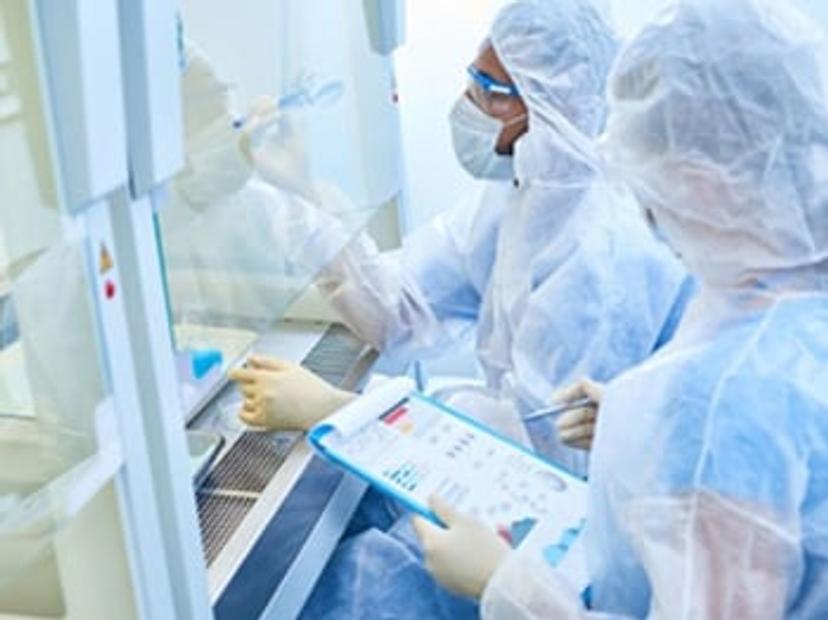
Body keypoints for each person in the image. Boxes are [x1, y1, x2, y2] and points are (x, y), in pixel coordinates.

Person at [413, 0, 828, 616]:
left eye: (642, 170)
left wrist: (506, 586)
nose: (635, 198)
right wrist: (644, 432)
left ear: (702, 181)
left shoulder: (720, 401)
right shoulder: (785, 317)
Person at [230, 0, 690, 477]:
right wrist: (301, 189)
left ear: (553, 107)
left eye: (490, 90)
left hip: (574, 519)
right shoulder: (519, 195)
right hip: (495, 487)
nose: (469, 101)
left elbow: (541, 456)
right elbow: (400, 310)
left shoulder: (601, 251)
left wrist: (341, 412)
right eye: (473, 78)